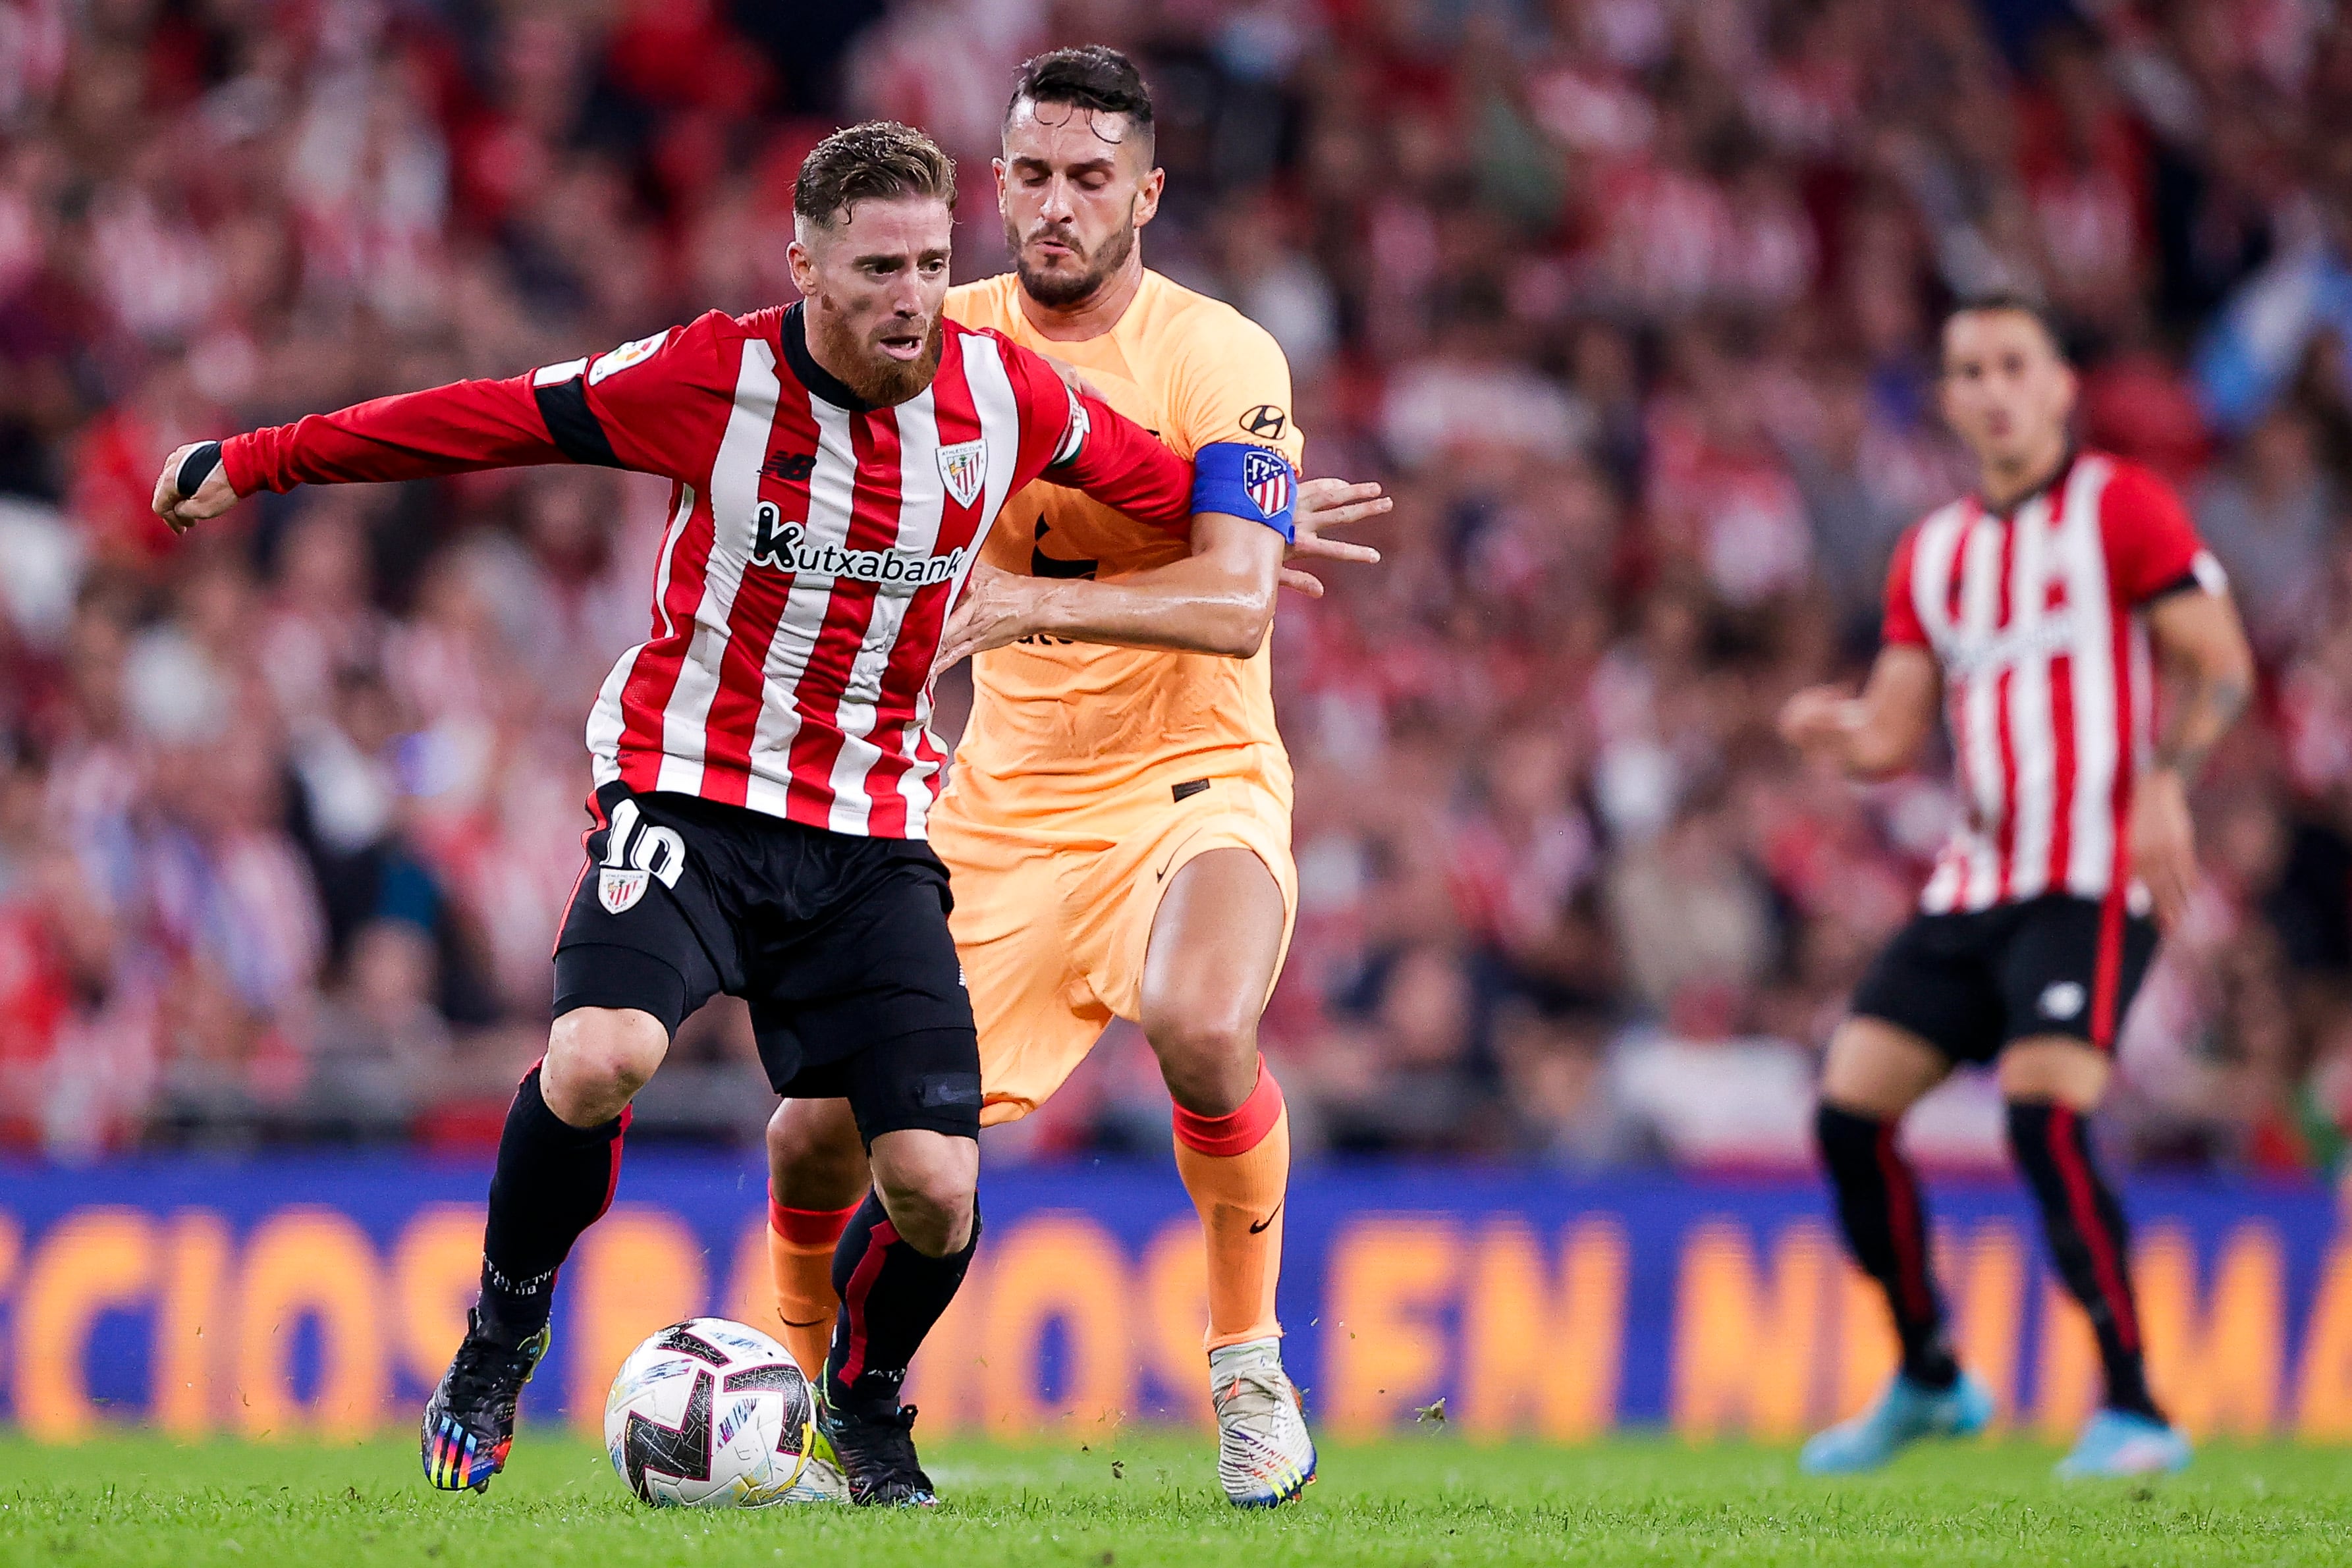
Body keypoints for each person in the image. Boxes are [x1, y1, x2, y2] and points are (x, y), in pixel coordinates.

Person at [150, 121, 1303, 1507]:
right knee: (598, 1058)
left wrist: (1272, 504)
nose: (912, 297)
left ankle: (866, 1409)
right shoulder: (711, 376)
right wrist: (264, 460)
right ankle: (500, 1337)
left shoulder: (1008, 398)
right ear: (804, 263)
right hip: (689, 793)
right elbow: (487, 416)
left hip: (873, 834)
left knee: (936, 1184)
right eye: (879, 267)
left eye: (934, 263)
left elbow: (1171, 492)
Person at [763, 47, 1382, 1508]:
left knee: (1199, 1022)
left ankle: (1247, 1371)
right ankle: (797, 1411)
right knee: (814, 1132)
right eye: (1032, 176)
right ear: (996, 186)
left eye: (1090, 179)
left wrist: (1043, 600)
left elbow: (1238, 606)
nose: (1055, 205)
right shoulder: (941, 331)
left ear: (1147, 195)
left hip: (1197, 775)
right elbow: (796, 453)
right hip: (1000, 805)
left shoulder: (1216, 354)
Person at [1780, 294, 2254, 1479]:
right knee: (1848, 1115)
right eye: (1968, 370)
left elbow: (2224, 666)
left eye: (2012, 365)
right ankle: (1931, 1373)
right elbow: (1893, 733)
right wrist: (1832, 729)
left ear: (2058, 388)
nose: (1990, 388)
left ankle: (2138, 1406)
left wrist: (2167, 777)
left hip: (2090, 877)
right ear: (1946, 400)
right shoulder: (1933, 551)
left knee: (2044, 1116)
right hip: (1973, 883)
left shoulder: (2120, 507)